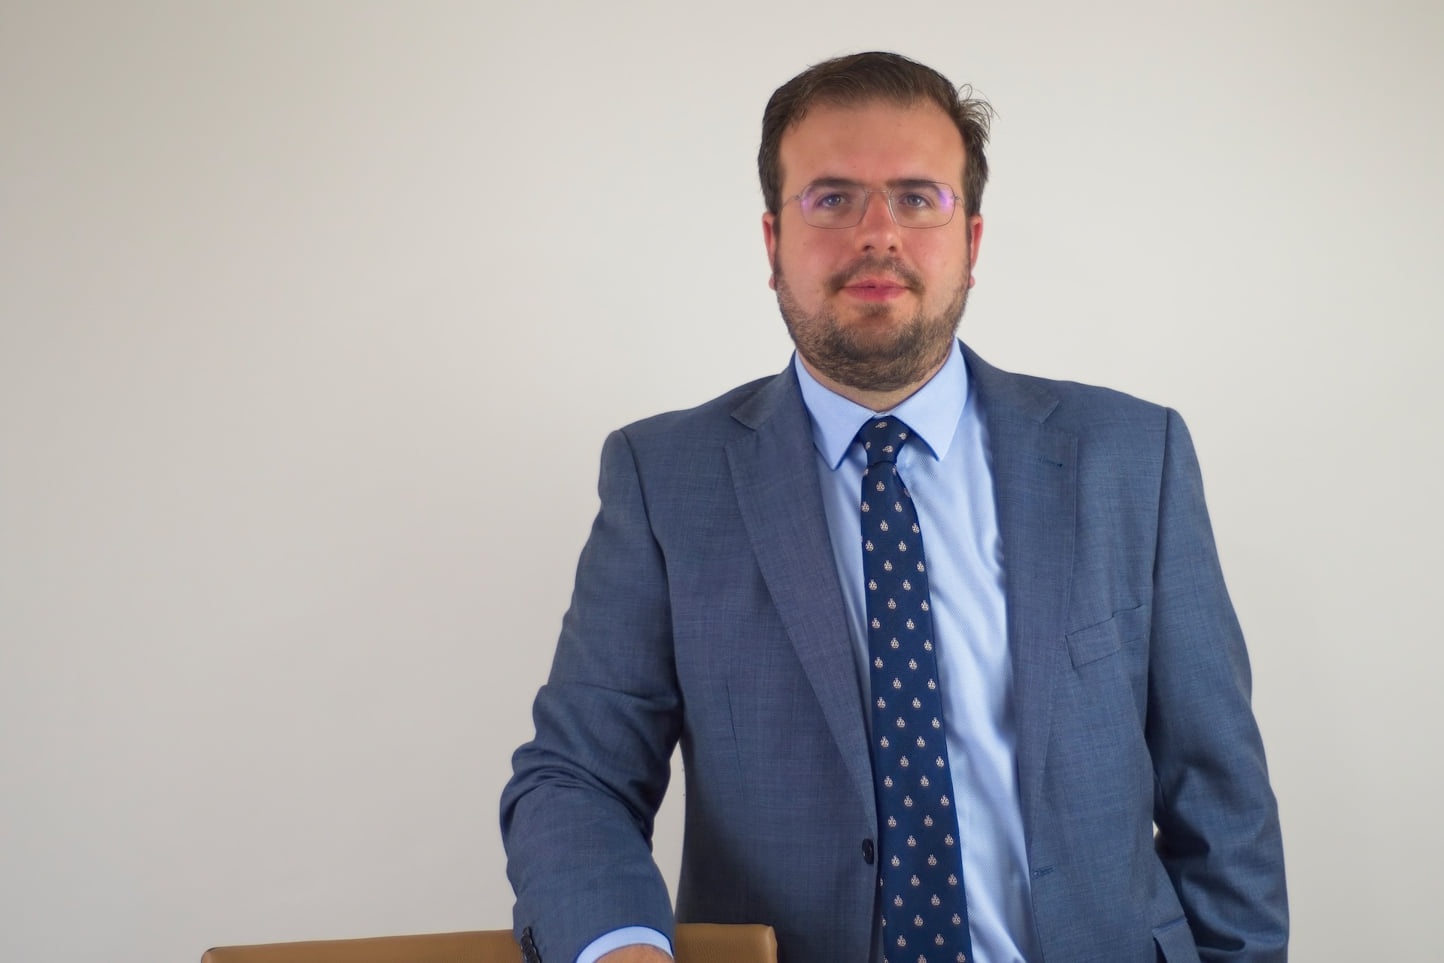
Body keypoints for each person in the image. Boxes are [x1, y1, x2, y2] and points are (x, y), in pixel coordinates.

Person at [499, 51, 1287, 963]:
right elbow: (577, 775)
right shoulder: (664, 479)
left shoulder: (1132, 457)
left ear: (972, 243)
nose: (878, 234)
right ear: (772, 243)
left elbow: (1218, 796)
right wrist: (620, 945)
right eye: (832, 198)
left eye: (918, 198)